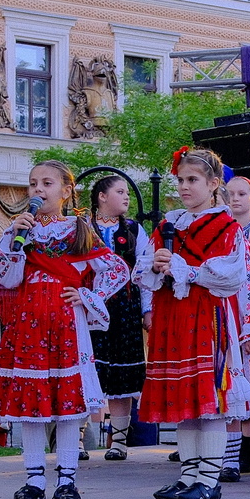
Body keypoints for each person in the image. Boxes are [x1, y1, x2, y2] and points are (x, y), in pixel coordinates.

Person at [0, 160, 130, 499]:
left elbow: (116, 269)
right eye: (32, 183)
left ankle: (67, 478)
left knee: (68, 406)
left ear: (66, 191)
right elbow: (5, 278)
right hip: (28, 324)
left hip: (66, 322)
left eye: (47, 183)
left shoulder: (78, 229)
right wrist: (14, 242)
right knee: (30, 406)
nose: (37, 189)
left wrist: (86, 295)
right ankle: (34, 479)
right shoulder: (19, 231)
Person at [138, 147, 250, 499]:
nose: (184, 187)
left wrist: (184, 268)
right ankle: (188, 475)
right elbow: (143, 273)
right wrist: (156, 265)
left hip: (206, 318)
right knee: (184, 402)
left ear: (213, 183)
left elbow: (230, 276)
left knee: (210, 401)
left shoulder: (225, 226)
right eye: (181, 180)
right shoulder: (167, 225)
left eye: (193, 180)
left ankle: (209, 476)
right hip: (172, 318)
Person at [86, 173, 148, 463]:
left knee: (123, 376)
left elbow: (146, 274)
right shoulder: (81, 228)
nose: (126, 197)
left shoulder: (134, 229)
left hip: (125, 309)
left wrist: (147, 310)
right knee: (87, 371)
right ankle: (77, 440)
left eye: (127, 192)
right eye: (120, 191)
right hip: (88, 309)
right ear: (102, 196)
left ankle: (119, 442)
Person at [219, 173, 250, 482]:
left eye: (241, 194)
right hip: (223, 316)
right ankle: (224, 452)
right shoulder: (217, 231)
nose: (235, 199)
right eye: (230, 194)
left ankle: (246, 452)